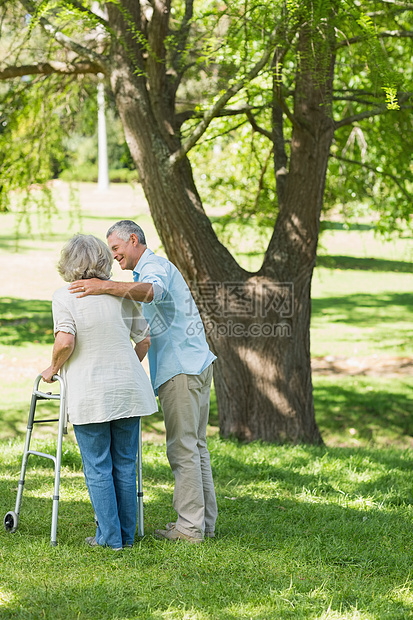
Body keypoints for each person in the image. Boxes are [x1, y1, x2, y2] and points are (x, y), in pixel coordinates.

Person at [69, 220, 218, 543]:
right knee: (196, 447)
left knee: (183, 449)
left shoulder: (154, 267)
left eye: (117, 249)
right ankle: (202, 524)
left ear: (133, 240)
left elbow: (153, 293)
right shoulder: (145, 271)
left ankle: (190, 529)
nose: (115, 257)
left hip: (181, 369)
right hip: (193, 364)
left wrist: (103, 286)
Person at [41, 234, 158, 551]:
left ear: (68, 263)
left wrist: (51, 369)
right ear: (103, 261)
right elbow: (144, 340)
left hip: (91, 393)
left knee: (97, 466)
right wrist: (122, 369)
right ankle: (126, 537)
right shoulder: (122, 295)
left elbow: (65, 342)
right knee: (124, 464)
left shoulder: (65, 296)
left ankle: (110, 539)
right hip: (128, 390)